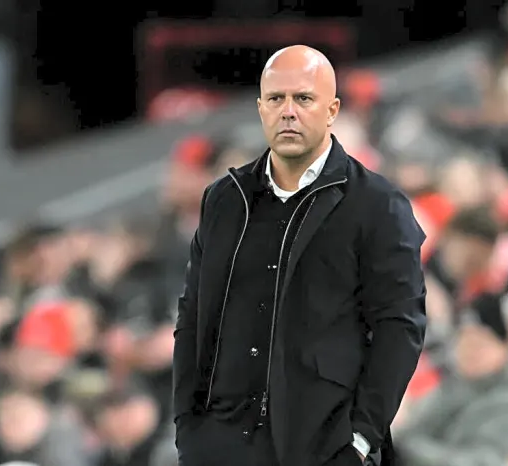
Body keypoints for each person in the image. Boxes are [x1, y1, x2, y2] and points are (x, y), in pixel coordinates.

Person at [172, 45, 427, 466]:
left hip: (323, 446)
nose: (288, 111)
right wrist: (188, 425)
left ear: (332, 110)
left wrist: (361, 439)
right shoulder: (224, 198)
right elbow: (193, 316)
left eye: (304, 98)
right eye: (276, 98)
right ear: (260, 109)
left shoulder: (377, 204)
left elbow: (399, 327)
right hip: (219, 446)